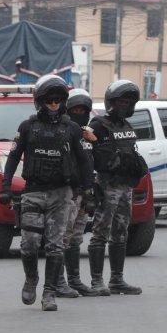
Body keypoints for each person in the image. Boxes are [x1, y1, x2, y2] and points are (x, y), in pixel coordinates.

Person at [0, 75, 81, 311]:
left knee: (56, 246)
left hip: (61, 194)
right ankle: (31, 278)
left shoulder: (72, 129)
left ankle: (49, 293)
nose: (54, 105)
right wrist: (6, 186)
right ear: (40, 101)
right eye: (49, 100)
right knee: (30, 244)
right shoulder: (28, 127)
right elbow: (13, 157)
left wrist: (87, 190)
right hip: (33, 192)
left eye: (58, 100)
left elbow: (84, 161)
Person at [87, 79, 149, 296]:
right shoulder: (98, 125)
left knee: (121, 232)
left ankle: (117, 280)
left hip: (125, 187)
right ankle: (97, 281)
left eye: (129, 102)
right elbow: (89, 155)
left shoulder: (126, 126)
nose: (126, 106)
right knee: (100, 232)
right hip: (107, 185)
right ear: (112, 102)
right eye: (122, 101)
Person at [58, 89, 98, 297]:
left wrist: (95, 140)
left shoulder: (87, 133)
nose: (80, 113)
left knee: (76, 239)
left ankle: (74, 280)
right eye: (76, 109)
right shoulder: (63, 132)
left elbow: (94, 161)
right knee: (62, 238)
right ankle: (57, 282)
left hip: (85, 193)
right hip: (68, 193)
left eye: (84, 110)